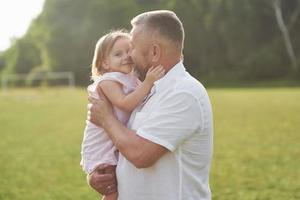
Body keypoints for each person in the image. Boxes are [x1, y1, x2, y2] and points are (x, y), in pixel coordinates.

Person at [88, 10, 214, 200]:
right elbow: (124, 141)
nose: (129, 56)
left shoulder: (183, 93)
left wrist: (105, 118)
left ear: (154, 52)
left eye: (132, 48)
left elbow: (140, 154)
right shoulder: (147, 89)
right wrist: (101, 175)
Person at [81, 30, 165, 200]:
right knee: (112, 190)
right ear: (104, 63)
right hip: (101, 146)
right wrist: (149, 82)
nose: (126, 56)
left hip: (114, 140)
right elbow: (126, 103)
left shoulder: (131, 78)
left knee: (120, 187)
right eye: (118, 54)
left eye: (129, 51)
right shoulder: (108, 81)